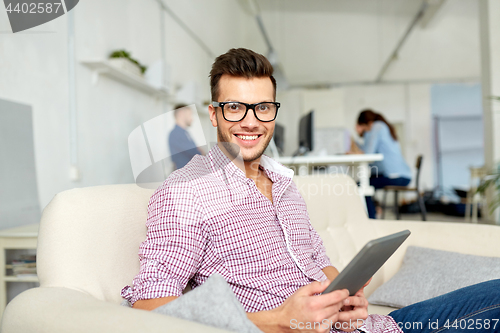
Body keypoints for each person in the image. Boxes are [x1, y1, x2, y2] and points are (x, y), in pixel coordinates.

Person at [121, 48, 500, 333]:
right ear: (214, 113)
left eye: (263, 107)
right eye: (235, 107)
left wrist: (346, 296)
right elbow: (147, 306)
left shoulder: (284, 185)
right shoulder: (186, 193)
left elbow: (318, 262)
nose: (251, 122)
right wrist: (281, 320)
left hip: (378, 327)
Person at [352, 110, 412, 219]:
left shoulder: (377, 126)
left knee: (360, 184)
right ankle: (375, 210)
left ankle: (371, 217)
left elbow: (368, 153)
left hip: (396, 176)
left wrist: (358, 136)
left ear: (368, 123)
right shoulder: (382, 127)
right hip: (402, 175)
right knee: (366, 181)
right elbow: (368, 151)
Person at [168, 104, 204, 170]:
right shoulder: (176, 134)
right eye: (190, 115)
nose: (192, 119)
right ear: (181, 114)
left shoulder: (185, 133)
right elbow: (196, 153)